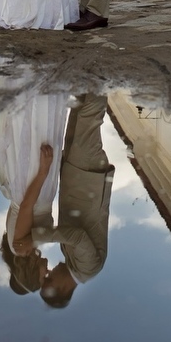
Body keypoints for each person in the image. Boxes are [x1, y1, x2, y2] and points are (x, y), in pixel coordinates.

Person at [32, 93, 114, 307]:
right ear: (64, 288)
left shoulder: (71, 261)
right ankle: (101, 74)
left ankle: (88, 74)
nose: (48, 273)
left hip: (75, 173)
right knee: (90, 115)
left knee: (78, 111)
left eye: (45, 276)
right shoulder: (88, 268)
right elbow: (77, 236)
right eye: (49, 280)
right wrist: (38, 237)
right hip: (87, 176)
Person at [0, 90, 71, 294]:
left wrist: (43, 171)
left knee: (38, 131)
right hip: (33, 187)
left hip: (33, 185)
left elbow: (26, 207)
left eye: (43, 275)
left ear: (32, 272)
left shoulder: (20, 247)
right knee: (32, 130)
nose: (48, 271)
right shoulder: (19, 246)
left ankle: (37, 91)